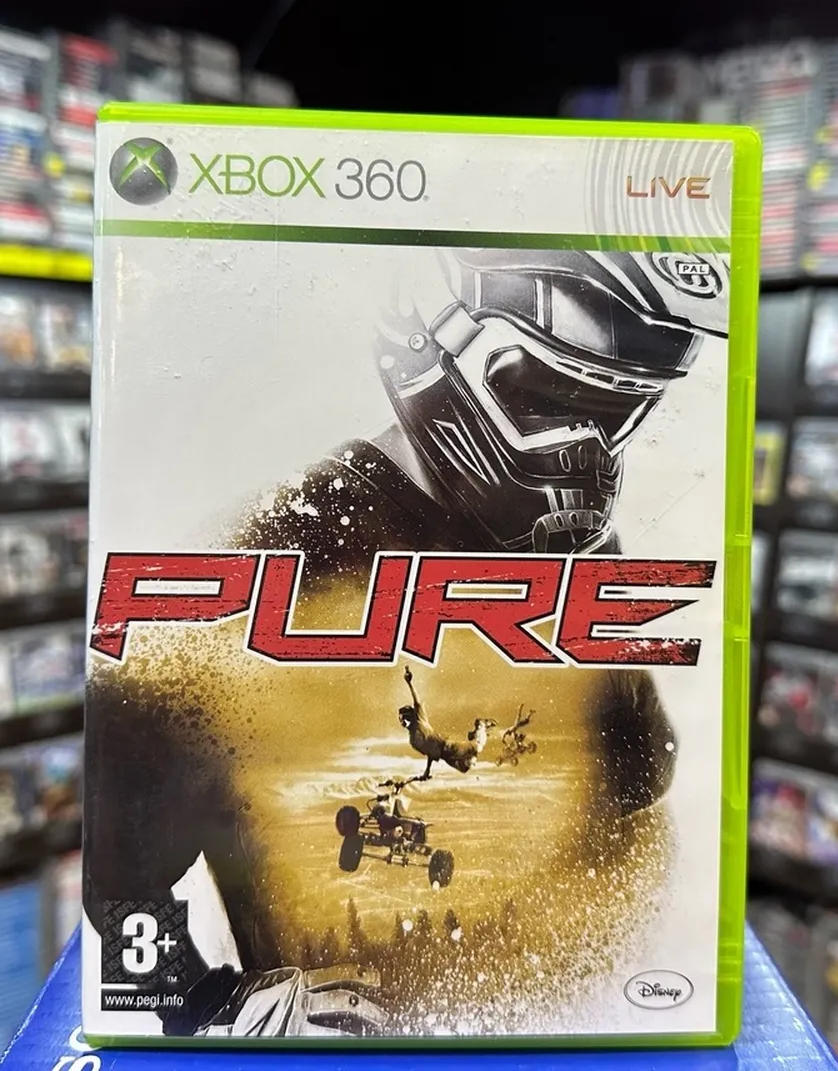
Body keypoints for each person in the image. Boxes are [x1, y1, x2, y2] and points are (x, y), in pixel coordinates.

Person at [85, 246, 728, 1036]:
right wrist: (202, 1004)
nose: (585, 449)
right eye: (546, 394)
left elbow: (639, 786)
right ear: (433, 342)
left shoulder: (580, 559)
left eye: (614, 412)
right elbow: (118, 855)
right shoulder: (256, 557)